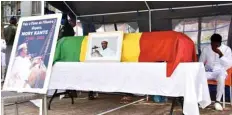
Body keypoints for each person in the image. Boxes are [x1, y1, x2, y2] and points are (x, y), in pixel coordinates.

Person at [199, 34, 232, 110]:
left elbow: (229, 64)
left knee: (221, 76)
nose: (213, 45)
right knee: (200, 77)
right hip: (208, 71)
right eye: (212, 43)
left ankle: (217, 101)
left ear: (220, 43)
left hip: (220, 71)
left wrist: (220, 54)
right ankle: (204, 100)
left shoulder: (227, 49)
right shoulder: (206, 49)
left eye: (215, 44)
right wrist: (201, 71)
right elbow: (201, 62)